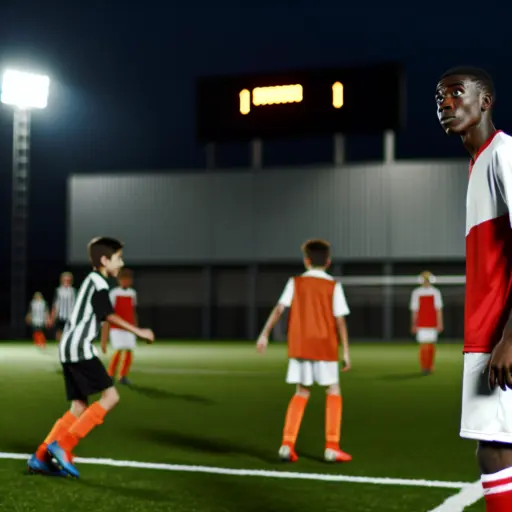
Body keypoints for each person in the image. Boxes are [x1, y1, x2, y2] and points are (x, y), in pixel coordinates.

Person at [436, 66, 512, 510]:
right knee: (496, 448)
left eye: (456, 94)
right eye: (439, 99)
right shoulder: (479, 161)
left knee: (493, 449)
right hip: (490, 332)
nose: (446, 104)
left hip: (498, 334)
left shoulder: (503, 154)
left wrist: (508, 338)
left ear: (485, 102)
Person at [26, 237, 155, 479]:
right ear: (105, 260)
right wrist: (140, 332)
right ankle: (63, 446)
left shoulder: (92, 280)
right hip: (79, 348)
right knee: (111, 396)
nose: (121, 262)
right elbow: (108, 315)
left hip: (69, 348)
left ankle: (41, 456)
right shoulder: (99, 281)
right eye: (118, 258)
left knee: (79, 406)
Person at [256, 239, 352, 463]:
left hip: (300, 344)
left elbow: (279, 309)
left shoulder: (295, 282)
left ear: (306, 261)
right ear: (328, 262)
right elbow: (340, 321)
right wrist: (346, 351)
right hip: (324, 344)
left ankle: (287, 444)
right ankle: (332, 446)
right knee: (333, 390)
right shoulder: (333, 285)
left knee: (301, 392)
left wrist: (264, 333)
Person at [104, 268, 138, 385]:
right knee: (119, 349)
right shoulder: (114, 293)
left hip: (129, 327)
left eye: (128, 279)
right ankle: (110, 374)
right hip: (117, 327)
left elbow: (133, 311)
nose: (125, 281)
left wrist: (135, 327)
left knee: (129, 350)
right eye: (123, 279)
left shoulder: (132, 293)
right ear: (119, 280)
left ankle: (123, 375)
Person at [409, 271, 444, 375]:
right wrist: (414, 324)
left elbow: (438, 309)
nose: (426, 282)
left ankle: (430, 366)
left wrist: (440, 323)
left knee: (431, 345)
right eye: (424, 279)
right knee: (423, 346)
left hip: (432, 323)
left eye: (427, 279)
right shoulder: (416, 292)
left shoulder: (435, 292)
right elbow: (415, 310)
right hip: (421, 324)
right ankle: (424, 367)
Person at [49, 272, 76, 342]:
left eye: (68, 280)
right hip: (60, 315)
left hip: (71, 316)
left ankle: (68, 346)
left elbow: (76, 304)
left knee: (70, 332)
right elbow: (55, 305)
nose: (66, 281)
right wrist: (52, 317)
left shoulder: (73, 291)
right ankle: (60, 346)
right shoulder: (58, 290)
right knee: (59, 332)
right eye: (65, 280)